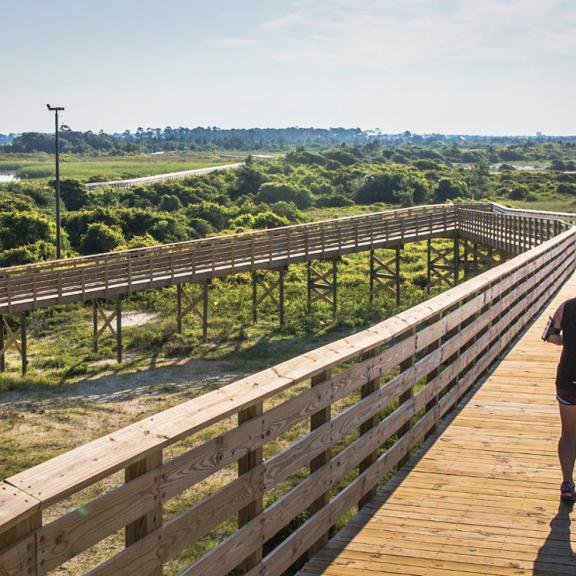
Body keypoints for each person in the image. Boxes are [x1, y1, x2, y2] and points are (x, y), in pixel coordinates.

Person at [546, 299, 576, 501]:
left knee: (568, 434)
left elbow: (551, 336)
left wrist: (569, 339)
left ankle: (567, 483)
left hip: (568, 376)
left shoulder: (566, 307)